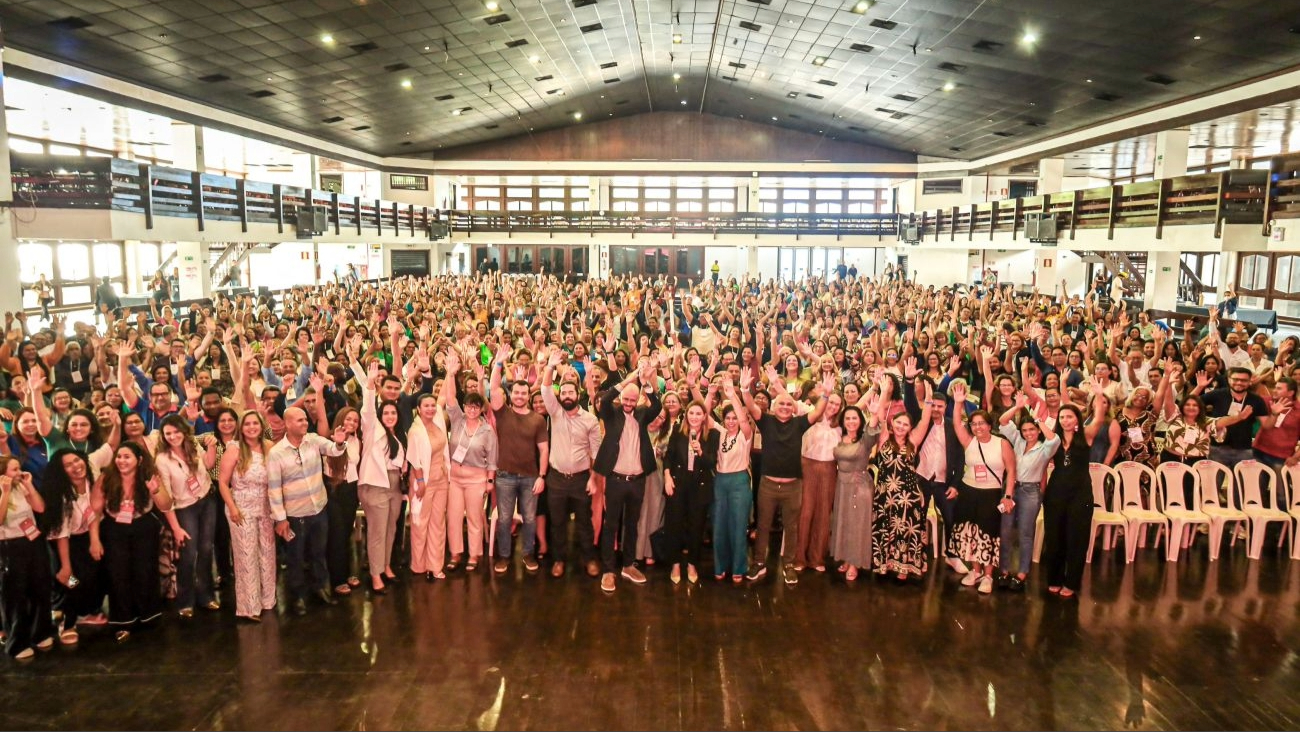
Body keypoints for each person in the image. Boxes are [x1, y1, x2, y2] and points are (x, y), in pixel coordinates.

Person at [744, 371, 831, 585]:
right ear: (774, 407)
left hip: (793, 486)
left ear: (793, 408)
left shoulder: (800, 423)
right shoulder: (765, 421)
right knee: (763, 525)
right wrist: (745, 389)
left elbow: (819, 410)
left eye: (788, 404)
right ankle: (759, 562)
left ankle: (789, 564)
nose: (784, 407)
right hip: (768, 485)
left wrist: (826, 394)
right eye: (781, 404)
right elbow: (751, 406)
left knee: (791, 527)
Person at [265, 406, 348, 616]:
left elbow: (334, 450)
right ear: (287, 424)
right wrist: (280, 519)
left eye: (305, 420)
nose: (305, 423)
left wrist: (338, 441)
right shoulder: (276, 453)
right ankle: (298, 597)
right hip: (294, 514)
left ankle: (320, 589)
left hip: (318, 508)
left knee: (319, 553)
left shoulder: (313, 440)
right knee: (295, 557)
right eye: (300, 420)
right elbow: (273, 489)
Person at [592, 356, 662, 593]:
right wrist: (630, 379)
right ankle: (608, 571)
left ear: (638, 399)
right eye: (626, 399)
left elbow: (658, 407)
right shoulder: (610, 413)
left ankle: (627, 565)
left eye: (633, 399)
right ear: (621, 399)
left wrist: (647, 384)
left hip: (637, 481)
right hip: (615, 480)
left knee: (632, 525)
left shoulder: (643, 415)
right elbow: (606, 397)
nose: (629, 402)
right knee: (611, 525)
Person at [91, 442, 170, 642]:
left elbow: (166, 505)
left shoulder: (148, 477)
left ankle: (148, 616)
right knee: (118, 575)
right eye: (119, 456)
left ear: (139, 460)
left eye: (127, 457)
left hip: (143, 528)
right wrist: (94, 539)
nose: (122, 461)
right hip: (114, 529)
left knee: (145, 572)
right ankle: (123, 622)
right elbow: (95, 510)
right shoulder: (106, 478)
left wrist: (155, 490)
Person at [947, 382, 1017, 595]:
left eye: (981, 424)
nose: (977, 427)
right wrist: (958, 403)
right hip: (969, 491)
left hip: (991, 493)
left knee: (989, 534)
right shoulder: (969, 442)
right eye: (974, 424)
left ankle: (988, 575)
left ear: (989, 425)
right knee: (971, 533)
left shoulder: (1001, 443)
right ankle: (975, 571)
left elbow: (1012, 472)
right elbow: (957, 424)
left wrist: (1008, 496)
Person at [539, 349, 602, 579]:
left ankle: (588, 559)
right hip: (556, 478)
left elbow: (596, 453)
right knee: (557, 524)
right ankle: (559, 560)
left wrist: (593, 479)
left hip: (581, 479)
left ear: (578, 394)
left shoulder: (590, 420)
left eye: (570, 392)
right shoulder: (555, 413)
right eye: (563, 392)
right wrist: (550, 366)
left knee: (584, 523)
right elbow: (545, 389)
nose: (566, 395)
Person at [487, 347, 549, 574]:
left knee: (530, 519)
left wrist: (542, 476)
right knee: (504, 519)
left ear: (528, 396)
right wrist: (498, 363)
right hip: (504, 476)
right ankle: (504, 556)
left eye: (524, 393)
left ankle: (528, 554)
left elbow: (544, 450)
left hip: (531, 477)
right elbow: (494, 388)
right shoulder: (502, 413)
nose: (520, 396)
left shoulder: (537, 420)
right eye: (516, 393)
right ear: (511, 395)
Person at [154, 414, 219, 617]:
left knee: (206, 549)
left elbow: (207, 466)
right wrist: (175, 527)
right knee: (188, 555)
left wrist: (212, 447)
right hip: (183, 508)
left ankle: (206, 596)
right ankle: (186, 601)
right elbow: (167, 498)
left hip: (206, 500)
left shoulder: (192, 446)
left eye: (176, 431)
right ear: (163, 436)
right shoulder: (162, 459)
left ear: (183, 430)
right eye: (168, 433)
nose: (173, 436)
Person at [41, 448, 108, 642]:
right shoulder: (61, 494)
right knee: (71, 580)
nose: (76, 466)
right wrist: (66, 566)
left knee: (97, 574)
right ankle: (68, 623)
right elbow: (61, 535)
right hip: (63, 543)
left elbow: (94, 512)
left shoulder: (91, 481)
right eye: (68, 465)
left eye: (77, 461)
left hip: (87, 535)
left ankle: (86, 612)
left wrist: (95, 541)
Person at [995, 394, 1059, 591]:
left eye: (1031, 430)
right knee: (1005, 531)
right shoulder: (1018, 441)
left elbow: (1054, 438)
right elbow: (1002, 421)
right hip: (1011, 487)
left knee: (1025, 533)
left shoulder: (1045, 448)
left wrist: (1038, 419)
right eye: (1025, 430)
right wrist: (1017, 407)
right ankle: (1004, 570)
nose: (1028, 433)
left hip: (1031, 491)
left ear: (1037, 430)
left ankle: (1022, 573)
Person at [870, 375, 931, 581]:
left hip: (908, 495)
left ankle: (903, 567)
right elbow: (879, 413)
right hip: (885, 494)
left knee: (904, 531)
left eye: (906, 424)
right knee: (885, 528)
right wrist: (884, 391)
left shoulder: (913, 441)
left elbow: (925, 419)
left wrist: (929, 396)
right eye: (898, 423)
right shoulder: (884, 438)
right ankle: (885, 564)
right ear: (893, 422)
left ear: (910, 428)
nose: (901, 427)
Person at [217, 411, 276, 622]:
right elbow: (223, 482)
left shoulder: (269, 447)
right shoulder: (233, 449)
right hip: (241, 508)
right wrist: (232, 507)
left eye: (255, 423)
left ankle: (268, 600)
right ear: (241, 428)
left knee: (267, 554)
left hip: (266, 507)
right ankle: (249, 607)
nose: (252, 427)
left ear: (261, 425)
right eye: (247, 424)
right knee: (246, 557)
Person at [442, 351, 497, 574]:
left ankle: (474, 554)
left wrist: (490, 481)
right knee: (453, 517)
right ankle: (456, 553)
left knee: (474, 518)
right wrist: (449, 374)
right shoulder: (457, 420)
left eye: (476, 406)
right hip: (455, 477)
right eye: (469, 406)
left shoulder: (487, 430)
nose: (472, 409)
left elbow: (492, 459)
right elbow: (450, 398)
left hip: (477, 479)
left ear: (481, 408)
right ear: (465, 407)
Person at [355, 360, 406, 594]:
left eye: (393, 412)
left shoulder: (396, 438)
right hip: (375, 486)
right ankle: (375, 576)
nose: (389, 416)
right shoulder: (373, 428)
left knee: (391, 530)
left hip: (395, 486)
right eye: (385, 412)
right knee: (377, 532)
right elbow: (367, 408)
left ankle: (386, 566)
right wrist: (370, 385)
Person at [662, 400, 719, 585]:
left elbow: (711, 463)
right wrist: (667, 477)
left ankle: (693, 564)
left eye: (698, 414)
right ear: (686, 415)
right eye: (691, 413)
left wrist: (700, 451)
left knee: (696, 527)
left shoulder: (713, 435)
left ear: (704, 417)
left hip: (700, 486)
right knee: (674, 525)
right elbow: (669, 456)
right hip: (678, 483)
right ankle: (676, 564)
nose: (694, 417)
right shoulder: (678, 431)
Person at [1039, 404, 1093, 598]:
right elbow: (1043, 466)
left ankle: (1071, 582)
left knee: (1077, 539)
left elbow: (1100, 418)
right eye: (1062, 417)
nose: (1065, 420)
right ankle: (1054, 579)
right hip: (1056, 492)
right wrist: (1041, 492)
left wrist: (1099, 393)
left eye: (1069, 417)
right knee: (1054, 537)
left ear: (1077, 419)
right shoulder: (1054, 440)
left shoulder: (1086, 437)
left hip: (1081, 494)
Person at [0, 455, 50, 659]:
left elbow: (40, 508)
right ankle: (17, 641)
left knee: (40, 586)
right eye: (14, 470)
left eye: (18, 468)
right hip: (10, 545)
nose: (18, 473)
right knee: (15, 593)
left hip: (33, 541)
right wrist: (4, 493)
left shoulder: (21, 487)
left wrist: (29, 486)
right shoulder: (3, 490)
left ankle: (41, 632)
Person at [712, 376, 755, 583]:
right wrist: (706, 391)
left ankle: (739, 566)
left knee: (738, 527)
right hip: (720, 482)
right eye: (727, 418)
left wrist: (732, 396)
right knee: (719, 526)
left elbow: (744, 420)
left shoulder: (745, 435)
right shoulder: (720, 433)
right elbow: (703, 415)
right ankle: (720, 566)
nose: (731, 421)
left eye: (734, 418)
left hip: (739, 483)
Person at [406, 392, 450, 581]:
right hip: (423, 480)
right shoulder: (415, 430)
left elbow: (443, 398)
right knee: (420, 523)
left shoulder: (438, 423)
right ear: (419, 409)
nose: (431, 409)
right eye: (426, 406)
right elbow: (414, 459)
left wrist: (449, 372)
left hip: (441, 479)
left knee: (438, 524)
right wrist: (421, 482)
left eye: (433, 405)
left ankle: (435, 565)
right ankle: (419, 565)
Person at [322, 406, 362, 594]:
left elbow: (354, 462)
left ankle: (346, 573)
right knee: (336, 534)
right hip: (333, 489)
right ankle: (337, 578)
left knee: (346, 532)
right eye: (348, 419)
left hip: (350, 489)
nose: (351, 423)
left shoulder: (356, 441)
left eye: (355, 420)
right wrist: (340, 441)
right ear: (340, 419)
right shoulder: (329, 439)